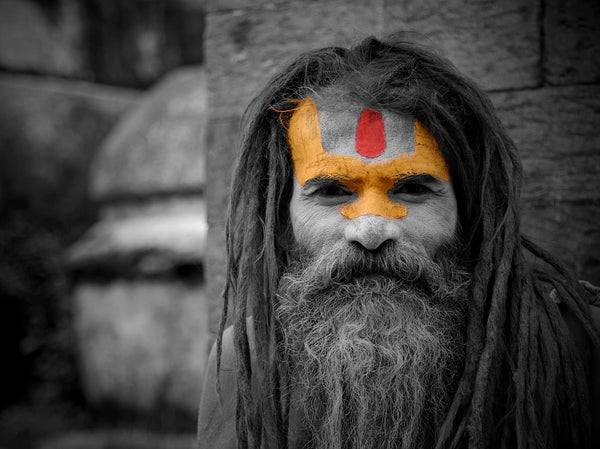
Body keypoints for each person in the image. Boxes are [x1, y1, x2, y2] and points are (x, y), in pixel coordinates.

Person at [197, 33, 600, 449]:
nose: (370, 230)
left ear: (472, 211)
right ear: (281, 220)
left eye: (412, 188)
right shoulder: (241, 365)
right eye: (333, 191)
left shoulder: (577, 348)